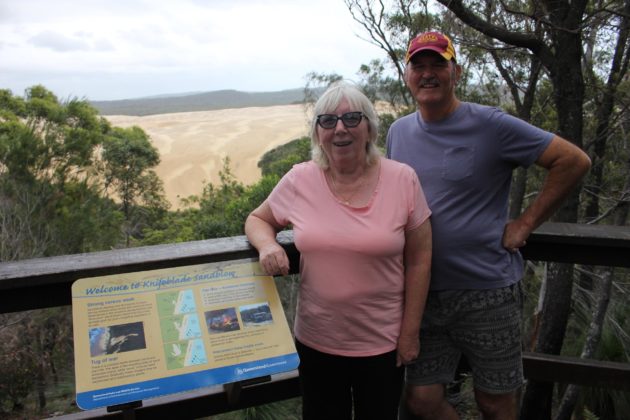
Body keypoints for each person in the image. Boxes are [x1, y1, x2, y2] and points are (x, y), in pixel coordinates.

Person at [386, 31, 591, 420]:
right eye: (419, 66)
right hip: (423, 295)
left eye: (438, 65)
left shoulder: (490, 124)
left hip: (487, 290)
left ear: (456, 72)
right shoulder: (399, 132)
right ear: (407, 75)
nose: (428, 74)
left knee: (496, 401)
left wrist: (526, 222)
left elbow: (573, 161)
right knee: (421, 400)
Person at [245, 81, 432, 420]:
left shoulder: (403, 179)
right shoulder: (300, 179)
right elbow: (258, 219)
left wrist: (410, 332)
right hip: (317, 343)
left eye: (352, 119)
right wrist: (268, 244)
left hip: (383, 344)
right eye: (328, 121)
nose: (340, 129)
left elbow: (420, 260)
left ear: (370, 127)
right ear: (318, 133)